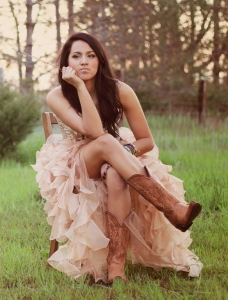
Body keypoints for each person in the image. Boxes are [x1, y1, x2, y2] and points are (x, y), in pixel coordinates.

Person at [32, 32, 203, 284]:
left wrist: (124, 153)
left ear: (100, 60)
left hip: (117, 153)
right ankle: (172, 208)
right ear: (66, 64)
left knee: (115, 172)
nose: (84, 62)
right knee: (105, 141)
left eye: (91, 56)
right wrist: (79, 87)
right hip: (79, 160)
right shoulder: (57, 95)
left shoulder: (120, 90)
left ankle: (116, 265)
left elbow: (146, 140)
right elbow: (92, 132)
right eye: (76, 56)